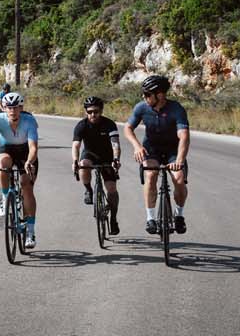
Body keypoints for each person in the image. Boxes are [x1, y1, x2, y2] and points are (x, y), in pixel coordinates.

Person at [121, 73, 190, 234]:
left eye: (147, 94)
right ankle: (150, 218)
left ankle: (179, 215)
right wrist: (137, 146)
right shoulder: (141, 107)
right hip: (151, 148)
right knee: (151, 175)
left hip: (173, 149)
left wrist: (179, 160)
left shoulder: (176, 109)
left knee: (179, 179)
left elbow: (184, 136)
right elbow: (127, 128)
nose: (143, 97)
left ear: (159, 95)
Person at [0, 91, 40, 245]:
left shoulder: (29, 121)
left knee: (26, 185)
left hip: (25, 152)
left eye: (16, 107)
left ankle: (30, 231)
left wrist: (29, 162)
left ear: (21, 108)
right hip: (6, 149)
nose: (12, 111)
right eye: (8, 107)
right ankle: (5, 198)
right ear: (3, 108)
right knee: (2, 164)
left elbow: (33, 147)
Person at [71, 95, 121, 236]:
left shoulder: (109, 124)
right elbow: (76, 145)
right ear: (86, 112)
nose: (93, 114)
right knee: (83, 164)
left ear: (101, 111)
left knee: (111, 190)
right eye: (90, 111)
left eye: (96, 111)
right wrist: (74, 160)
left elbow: (115, 143)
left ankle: (113, 219)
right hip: (90, 155)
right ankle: (88, 189)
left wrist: (116, 159)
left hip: (107, 157)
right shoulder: (81, 125)